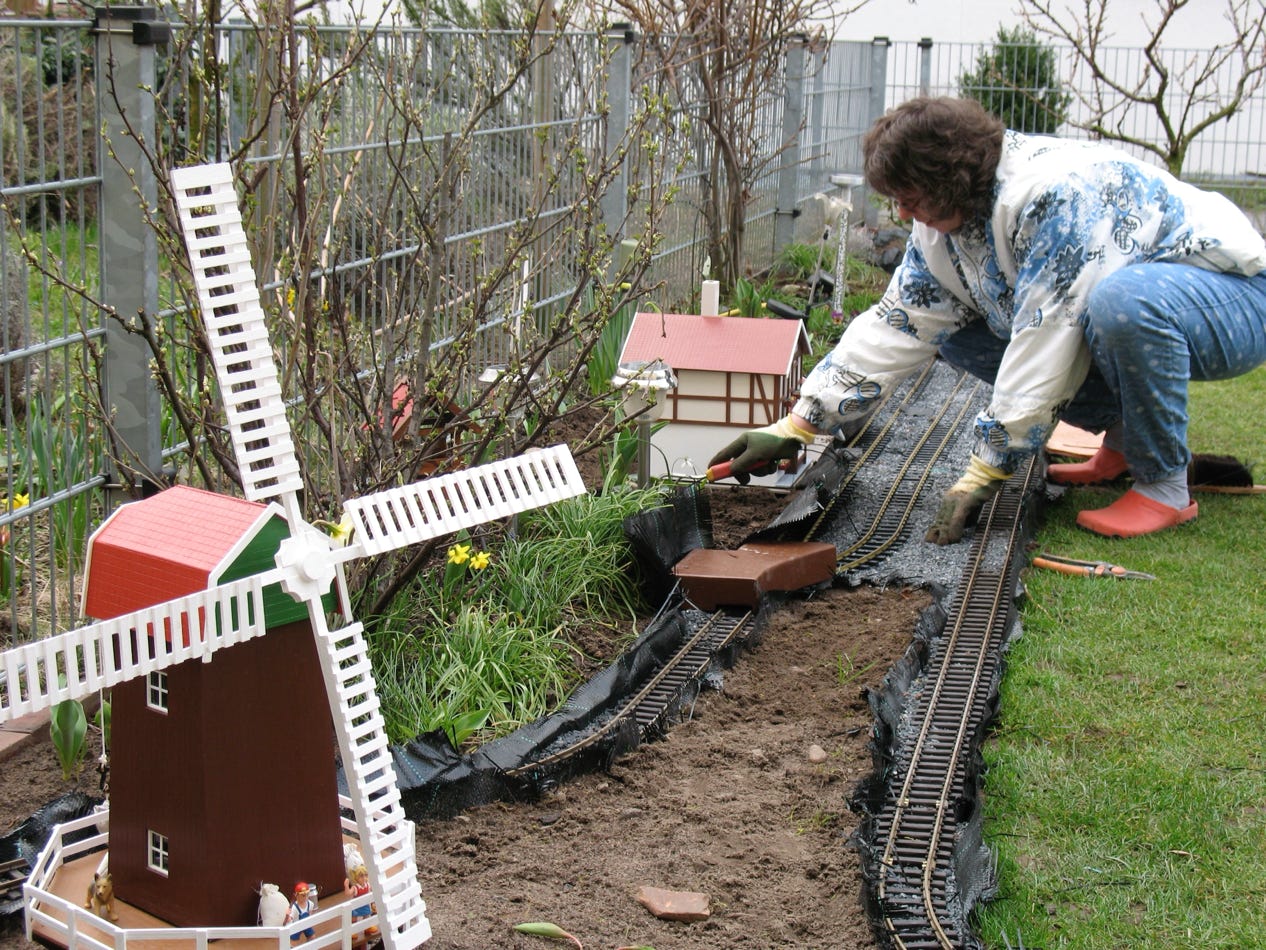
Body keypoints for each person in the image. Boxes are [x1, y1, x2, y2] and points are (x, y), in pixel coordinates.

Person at [710, 96, 1266, 542]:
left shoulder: (1055, 198)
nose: (900, 213)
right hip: (1137, 306)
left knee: (1121, 304)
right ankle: (1121, 445)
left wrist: (986, 468)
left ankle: (1165, 486)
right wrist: (799, 424)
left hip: (1232, 298)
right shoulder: (943, 229)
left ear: (948, 177)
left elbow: (1048, 334)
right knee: (959, 338)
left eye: (908, 196)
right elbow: (899, 323)